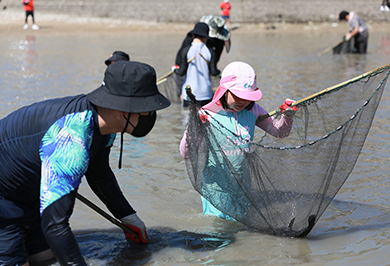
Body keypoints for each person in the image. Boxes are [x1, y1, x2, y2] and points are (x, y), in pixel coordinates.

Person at [0, 61, 171, 265]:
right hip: (5, 197)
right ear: (122, 111)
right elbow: (56, 225)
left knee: (45, 258)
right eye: (146, 111)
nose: (151, 116)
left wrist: (127, 216)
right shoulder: (71, 138)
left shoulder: (104, 125)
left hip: (28, 190)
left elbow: (99, 174)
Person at [180, 61, 296, 219]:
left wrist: (287, 116)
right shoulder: (207, 114)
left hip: (242, 185)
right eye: (238, 95)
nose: (243, 101)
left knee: (242, 231)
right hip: (216, 188)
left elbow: (279, 132)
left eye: (248, 97)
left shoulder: (253, 110)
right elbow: (185, 153)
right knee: (220, 232)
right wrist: (195, 127)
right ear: (224, 91)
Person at [174, 22, 221, 107]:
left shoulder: (186, 50)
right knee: (205, 119)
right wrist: (219, 72)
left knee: (186, 118)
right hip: (205, 94)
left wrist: (174, 69)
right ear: (205, 37)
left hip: (189, 93)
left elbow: (181, 72)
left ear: (193, 35)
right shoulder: (210, 52)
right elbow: (214, 72)